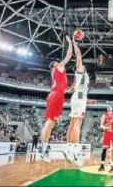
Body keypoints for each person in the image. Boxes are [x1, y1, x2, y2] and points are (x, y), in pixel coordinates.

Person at [38, 34, 73, 162]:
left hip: (57, 95)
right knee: (50, 123)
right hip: (56, 96)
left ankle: (43, 147)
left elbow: (63, 88)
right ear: (54, 65)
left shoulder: (58, 74)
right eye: (57, 62)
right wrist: (70, 41)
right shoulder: (58, 68)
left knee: (50, 124)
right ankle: (43, 148)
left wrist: (71, 88)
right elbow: (69, 55)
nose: (59, 63)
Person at [65, 34, 96, 166]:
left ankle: (69, 147)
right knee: (77, 123)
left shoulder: (83, 78)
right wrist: (73, 41)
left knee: (73, 123)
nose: (80, 65)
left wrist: (88, 101)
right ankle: (75, 151)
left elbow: (78, 92)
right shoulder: (81, 72)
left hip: (78, 98)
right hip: (78, 98)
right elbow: (78, 55)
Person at [99, 105, 113, 172]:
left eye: (110, 107)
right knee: (104, 149)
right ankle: (102, 165)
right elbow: (101, 125)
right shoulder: (104, 115)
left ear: (112, 108)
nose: (109, 108)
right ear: (107, 109)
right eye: (108, 107)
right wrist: (106, 128)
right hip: (107, 133)